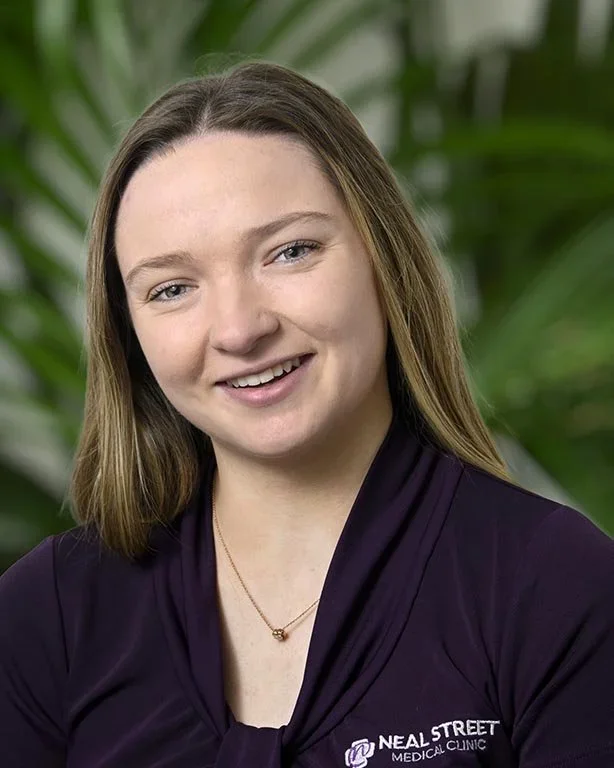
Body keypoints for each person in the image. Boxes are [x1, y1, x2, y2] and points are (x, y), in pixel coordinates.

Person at [0, 59, 612, 768]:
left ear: (385, 260)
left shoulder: (555, 585)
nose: (238, 328)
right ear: (127, 333)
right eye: (171, 289)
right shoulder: (50, 616)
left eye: (289, 251)